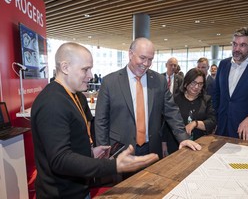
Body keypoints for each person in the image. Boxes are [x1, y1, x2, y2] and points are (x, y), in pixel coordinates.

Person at [31, 42, 159, 199]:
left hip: (77, 188)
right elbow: (60, 159)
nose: (91, 75)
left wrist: (89, 152)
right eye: (85, 69)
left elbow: (68, 141)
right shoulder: (52, 103)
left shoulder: (74, 96)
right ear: (65, 68)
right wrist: (114, 166)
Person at [94, 37, 201, 159]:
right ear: (130, 54)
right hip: (120, 150)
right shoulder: (110, 82)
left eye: (150, 59)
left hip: (151, 148)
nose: (146, 64)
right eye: (142, 58)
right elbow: (101, 120)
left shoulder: (159, 81)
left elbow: (171, 111)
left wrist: (183, 138)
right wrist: (104, 151)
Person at [163, 68, 216, 154]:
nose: (196, 87)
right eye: (193, 83)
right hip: (175, 145)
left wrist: (195, 124)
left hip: (199, 145)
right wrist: (163, 143)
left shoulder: (206, 100)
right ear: (186, 82)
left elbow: (212, 122)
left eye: (200, 84)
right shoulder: (175, 99)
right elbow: (166, 123)